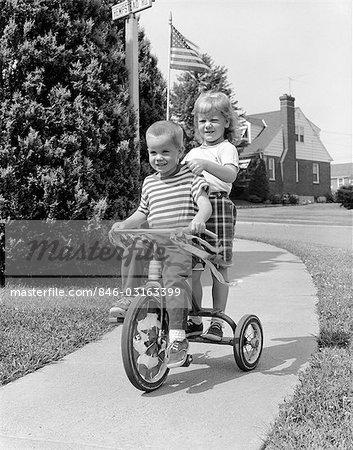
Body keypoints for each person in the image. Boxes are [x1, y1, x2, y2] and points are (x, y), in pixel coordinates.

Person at [109, 120, 212, 368]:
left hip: (182, 242)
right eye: (153, 152)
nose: (159, 158)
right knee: (133, 247)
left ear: (180, 151)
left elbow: (205, 204)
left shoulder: (191, 176)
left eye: (166, 152)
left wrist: (199, 219)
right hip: (156, 240)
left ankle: (178, 338)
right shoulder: (149, 182)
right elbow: (142, 212)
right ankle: (129, 297)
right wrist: (125, 223)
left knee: (173, 280)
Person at [183, 91, 239, 341]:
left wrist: (206, 166)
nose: (208, 125)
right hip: (193, 208)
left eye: (214, 120)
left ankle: (217, 320)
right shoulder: (191, 153)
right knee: (193, 268)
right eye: (203, 120)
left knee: (219, 266)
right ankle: (195, 318)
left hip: (219, 206)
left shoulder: (227, 148)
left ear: (226, 122)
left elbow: (230, 176)